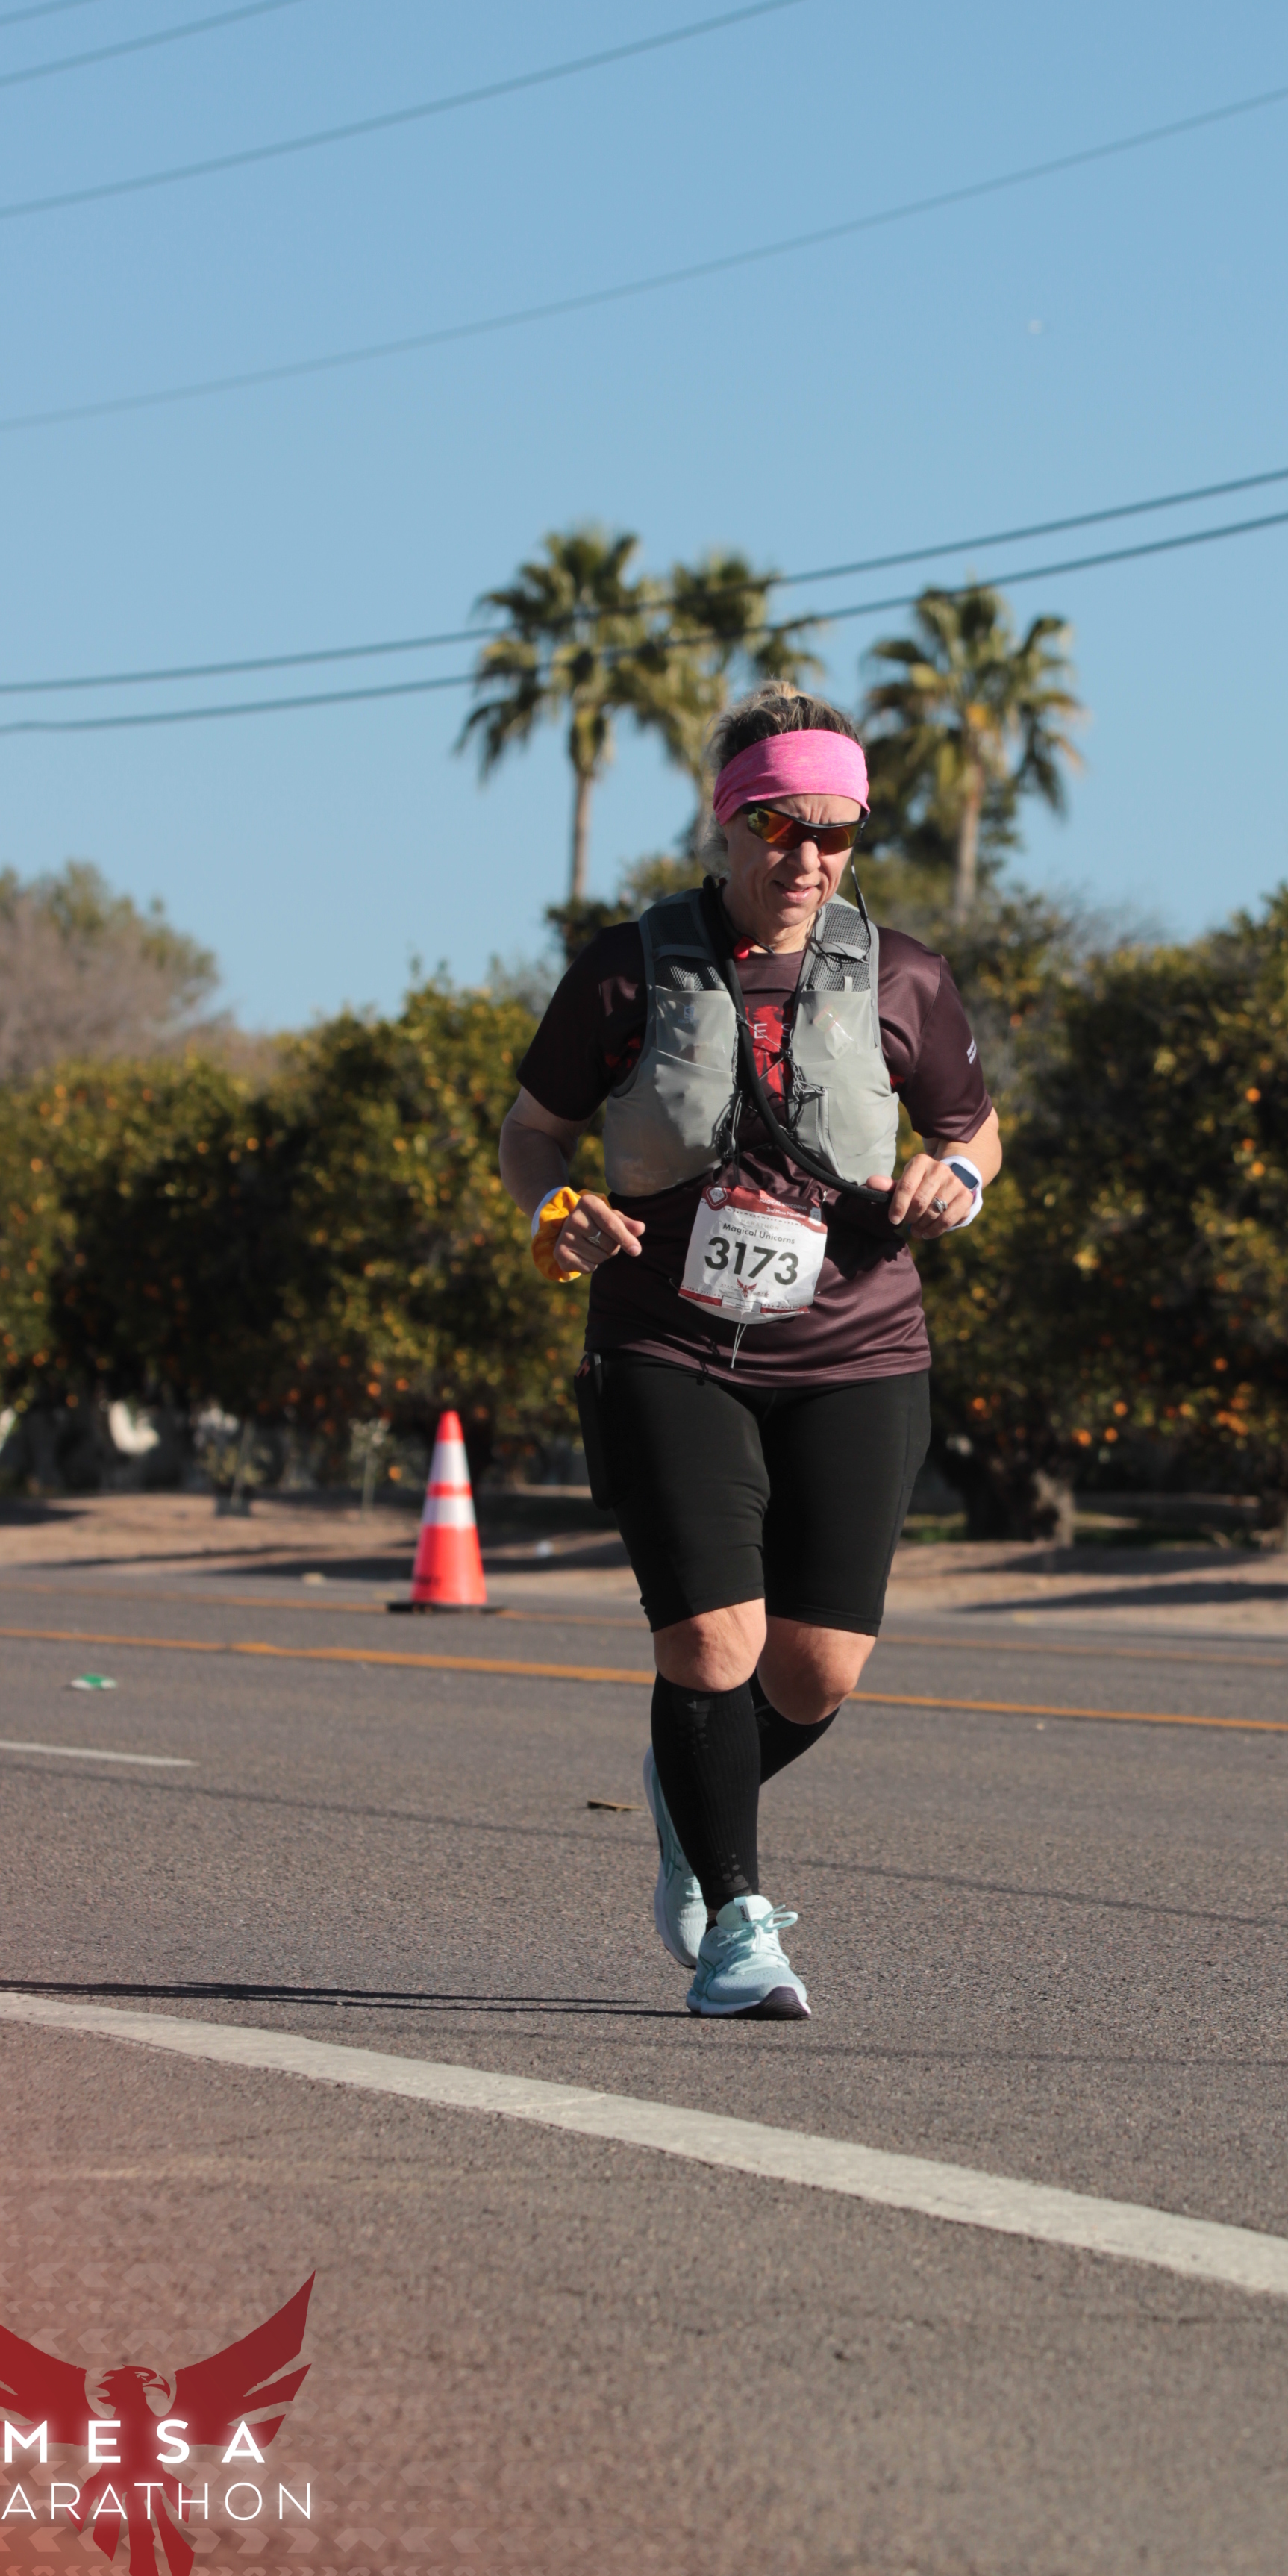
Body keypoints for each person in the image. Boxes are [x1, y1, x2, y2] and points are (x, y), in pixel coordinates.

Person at [500, 685, 1000, 2019]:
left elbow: (973, 1131)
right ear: (728, 825)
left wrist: (956, 1182)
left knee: (817, 1670)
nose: (810, 857)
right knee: (714, 1643)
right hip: (670, 1341)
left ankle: (689, 1786)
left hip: (858, 1346)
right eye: (782, 828)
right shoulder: (626, 969)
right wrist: (555, 1209)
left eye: (837, 832)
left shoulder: (903, 976)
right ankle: (736, 1928)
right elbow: (532, 1132)